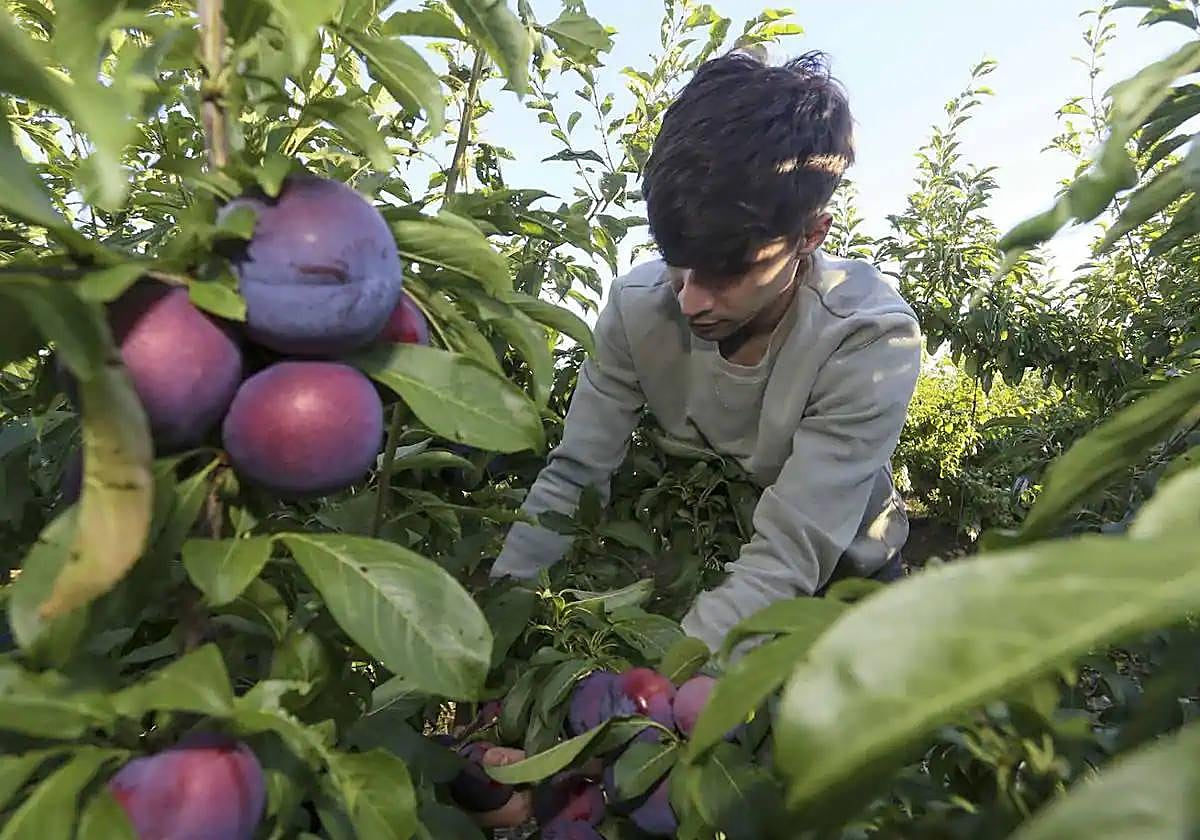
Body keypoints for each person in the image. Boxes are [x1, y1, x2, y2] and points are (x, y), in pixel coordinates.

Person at [489, 48, 922, 653]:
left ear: (810, 236)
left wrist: (647, 693)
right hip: (711, 560)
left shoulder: (867, 339)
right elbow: (576, 476)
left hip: (846, 578)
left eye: (726, 271)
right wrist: (495, 626)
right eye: (676, 261)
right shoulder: (638, 310)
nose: (691, 300)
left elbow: (791, 552)